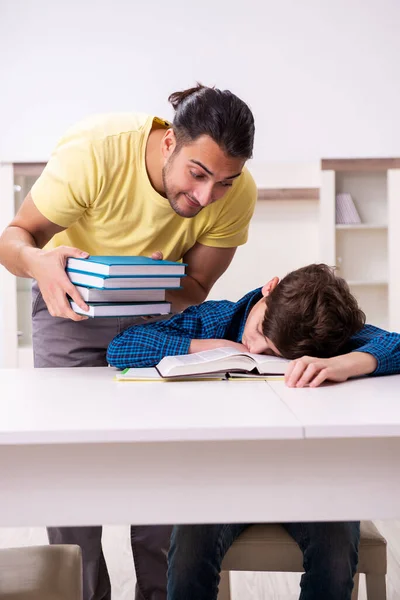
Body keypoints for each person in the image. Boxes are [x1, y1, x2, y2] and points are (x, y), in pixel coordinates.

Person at [0, 84, 257, 600]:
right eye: (198, 174)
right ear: (168, 144)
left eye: (223, 182)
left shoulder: (239, 194)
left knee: (160, 465)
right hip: (69, 306)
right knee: (70, 472)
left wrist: (151, 283)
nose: (206, 197)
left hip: (157, 316)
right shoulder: (97, 152)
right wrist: (37, 263)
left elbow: (197, 288)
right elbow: (14, 238)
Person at [107, 263, 400, 600]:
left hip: (310, 478)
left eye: (274, 355)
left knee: (335, 550)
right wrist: (210, 347)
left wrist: (345, 363)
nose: (256, 350)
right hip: (225, 478)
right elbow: (122, 346)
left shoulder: (326, 336)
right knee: (189, 551)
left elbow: (394, 343)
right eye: (260, 331)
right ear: (269, 289)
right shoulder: (219, 318)